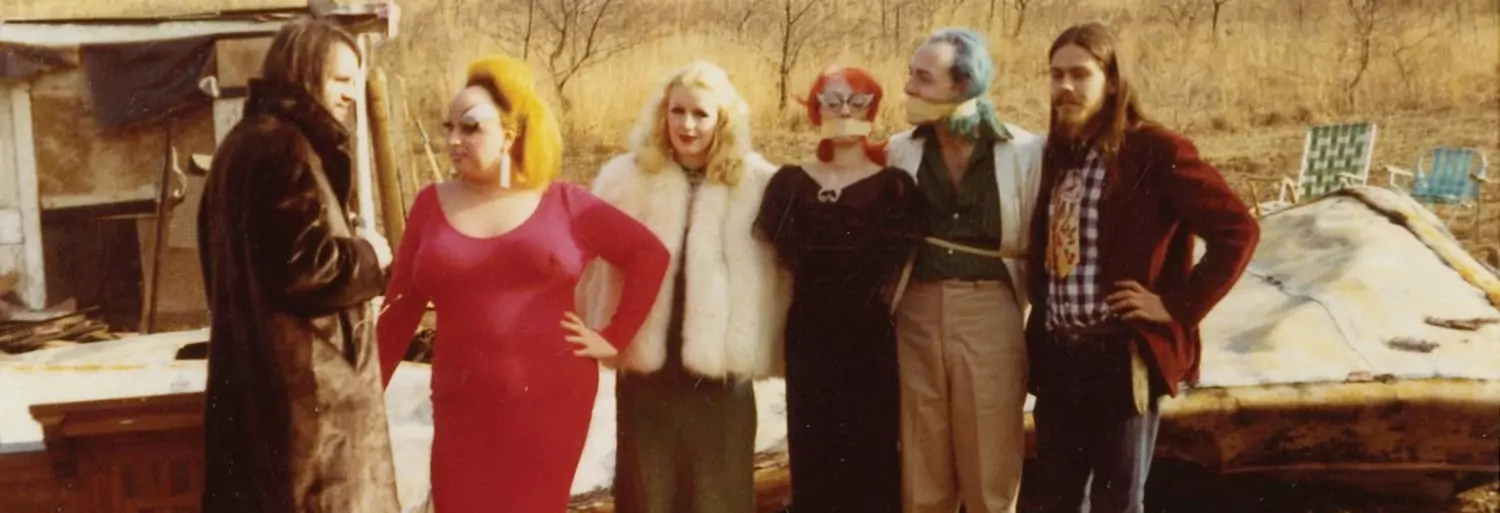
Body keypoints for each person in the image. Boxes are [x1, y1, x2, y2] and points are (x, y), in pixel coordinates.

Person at [375, 55, 670, 513]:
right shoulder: (430, 204)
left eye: (470, 127)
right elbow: (400, 308)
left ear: (510, 135)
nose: (453, 140)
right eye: (448, 127)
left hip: (550, 402)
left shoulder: (565, 203)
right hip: (460, 402)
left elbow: (649, 254)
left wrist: (615, 336)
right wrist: (363, 396)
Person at [1024, 21, 1259, 513]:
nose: (1065, 87)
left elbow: (1237, 231)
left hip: (1120, 356)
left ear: (1112, 82)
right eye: (1056, 75)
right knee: (1053, 501)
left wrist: (1175, 307)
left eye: (1080, 75)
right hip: (1060, 359)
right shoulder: (1056, 156)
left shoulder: (1155, 150)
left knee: (1118, 500)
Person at [196, 19, 399, 513]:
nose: (351, 94)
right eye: (340, 80)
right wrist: (370, 254)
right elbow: (303, 267)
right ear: (303, 73)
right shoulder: (284, 149)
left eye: (355, 80)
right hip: (311, 411)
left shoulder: (241, 146)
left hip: (267, 397)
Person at [577, 60, 789, 513]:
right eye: (677, 111)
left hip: (720, 384)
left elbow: (785, 273)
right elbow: (588, 267)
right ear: (663, 113)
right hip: (648, 377)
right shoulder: (625, 179)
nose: (687, 125)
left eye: (700, 114)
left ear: (723, 120)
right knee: (647, 495)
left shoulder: (758, 184)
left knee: (719, 498)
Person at [884, 27, 1045, 513]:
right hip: (916, 311)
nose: (908, 87)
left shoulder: (1023, 152)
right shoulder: (900, 150)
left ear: (963, 86)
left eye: (923, 78)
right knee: (923, 463)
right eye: (911, 74)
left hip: (989, 311)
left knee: (989, 461)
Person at [754, 64, 926, 513]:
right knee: (813, 454)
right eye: (832, 101)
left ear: (872, 109)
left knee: (870, 454)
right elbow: (778, 268)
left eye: (856, 101)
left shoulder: (894, 188)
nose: (844, 110)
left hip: (868, 338)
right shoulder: (790, 184)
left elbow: (902, 273)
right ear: (816, 109)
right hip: (808, 337)